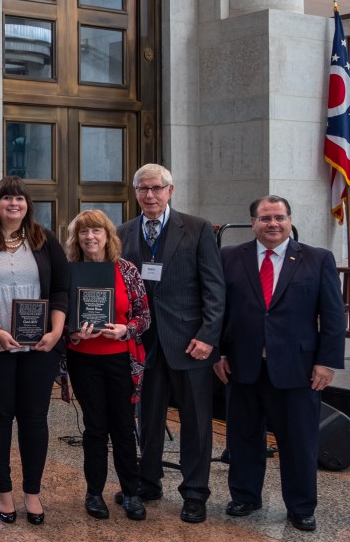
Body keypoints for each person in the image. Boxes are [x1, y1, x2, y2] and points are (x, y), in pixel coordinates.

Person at [214, 196, 344, 532]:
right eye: (265, 218)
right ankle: (245, 496)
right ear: (253, 222)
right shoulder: (229, 257)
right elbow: (219, 311)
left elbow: (331, 315)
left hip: (298, 370)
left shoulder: (317, 259)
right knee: (243, 437)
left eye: (279, 217)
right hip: (243, 367)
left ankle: (301, 507)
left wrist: (327, 362)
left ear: (289, 221)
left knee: (299, 442)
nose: (273, 224)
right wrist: (219, 353)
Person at [118, 163, 225, 523]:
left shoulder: (196, 228)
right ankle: (148, 481)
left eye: (156, 188)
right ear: (135, 193)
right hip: (143, 343)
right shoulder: (123, 232)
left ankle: (195, 493)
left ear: (170, 190)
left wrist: (208, 337)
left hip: (189, 343)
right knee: (147, 417)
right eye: (143, 189)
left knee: (196, 421)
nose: (150, 195)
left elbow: (215, 288)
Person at [0, 176, 68, 526]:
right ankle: (4, 491)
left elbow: (61, 288)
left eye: (20, 199)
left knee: (35, 420)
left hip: (40, 349)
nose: (14, 204)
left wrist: (56, 331)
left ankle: (32, 493)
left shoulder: (45, 240)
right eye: (7, 198)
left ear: (28, 205)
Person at [63, 209, 151, 522]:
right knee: (95, 428)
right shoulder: (69, 271)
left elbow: (144, 315)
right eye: (84, 232)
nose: (90, 237)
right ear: (76, 238)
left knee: (125, 428)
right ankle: (94, 493)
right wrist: (72, 334)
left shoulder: (126, 270)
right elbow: (58, 317)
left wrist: (126, 330)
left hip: (121, 360)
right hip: (84, 360)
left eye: (96, 231)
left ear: (107, 235)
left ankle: (130, 492)